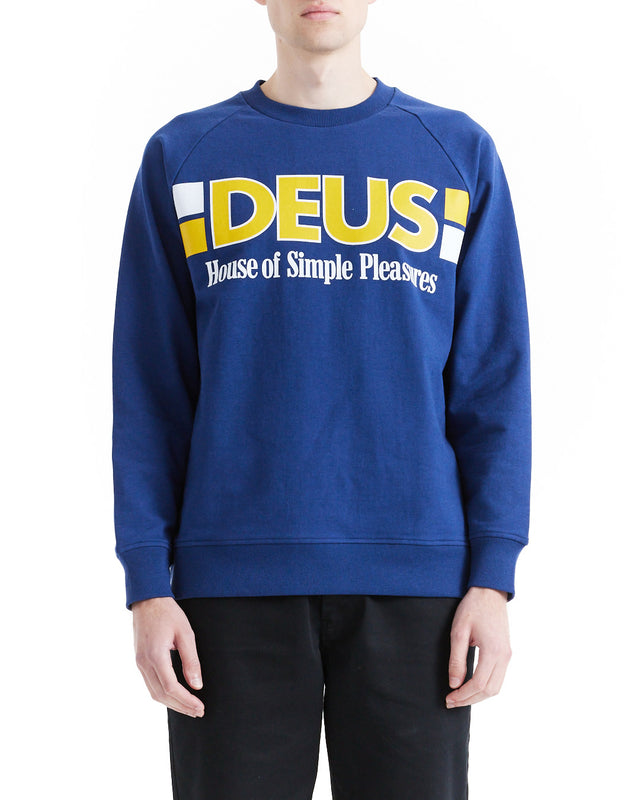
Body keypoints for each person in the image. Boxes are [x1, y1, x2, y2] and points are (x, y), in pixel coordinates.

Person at [111, 1, 531, 798]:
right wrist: (147, 583)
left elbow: (493, 381)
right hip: (228, 587)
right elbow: (150, 386)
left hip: (418, 585)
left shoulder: (455, 152)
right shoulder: (185, 156)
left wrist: (493, 576)